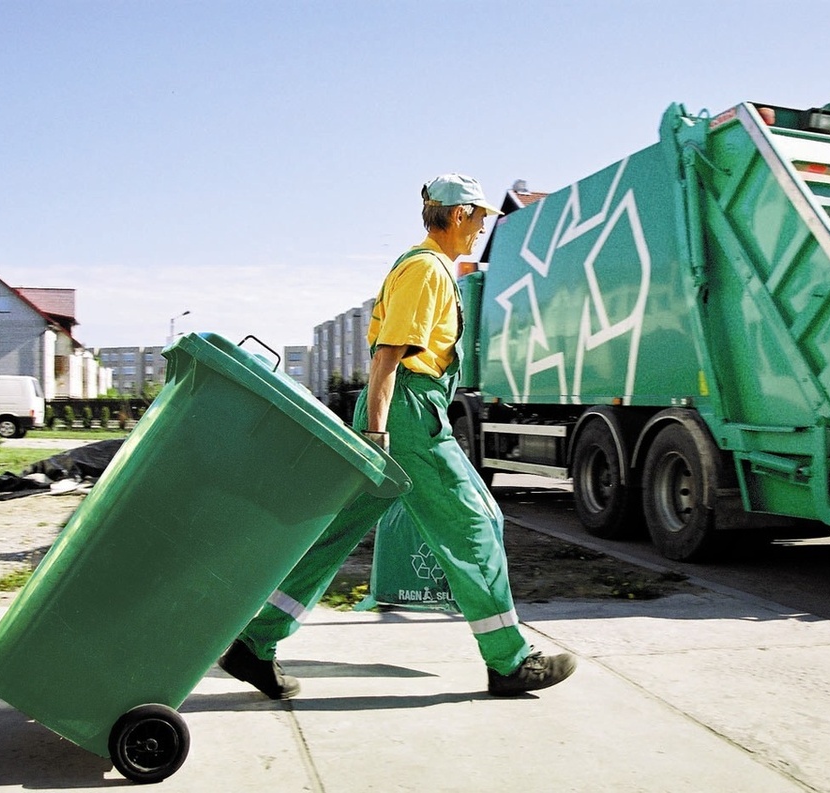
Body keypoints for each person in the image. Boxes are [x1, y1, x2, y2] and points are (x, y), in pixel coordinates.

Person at [219, 173, 577, 698]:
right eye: (479, 218)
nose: (481, 229)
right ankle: (509, 661)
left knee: (335, 533)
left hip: (401, 411)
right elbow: (389, 355)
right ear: (458, 215)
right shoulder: (426, 270)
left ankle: (255, 645)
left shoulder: (425, 267)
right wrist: (378, 433)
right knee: (475, 522)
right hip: (408, 416)